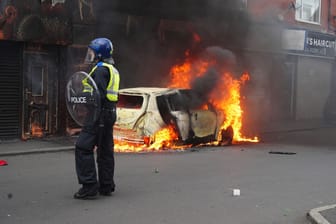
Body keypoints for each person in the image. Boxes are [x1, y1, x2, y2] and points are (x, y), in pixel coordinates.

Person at [74, 37, 120, 199]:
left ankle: (89, 186)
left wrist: (81, 96)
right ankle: (106, 185)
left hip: (97, 115)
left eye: (92, 52)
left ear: (100, 54)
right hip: (109, 113)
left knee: (83, 147)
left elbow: (97, 95)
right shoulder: (112, 69)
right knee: (105, 150)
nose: (90, 55)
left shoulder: (100, 70)